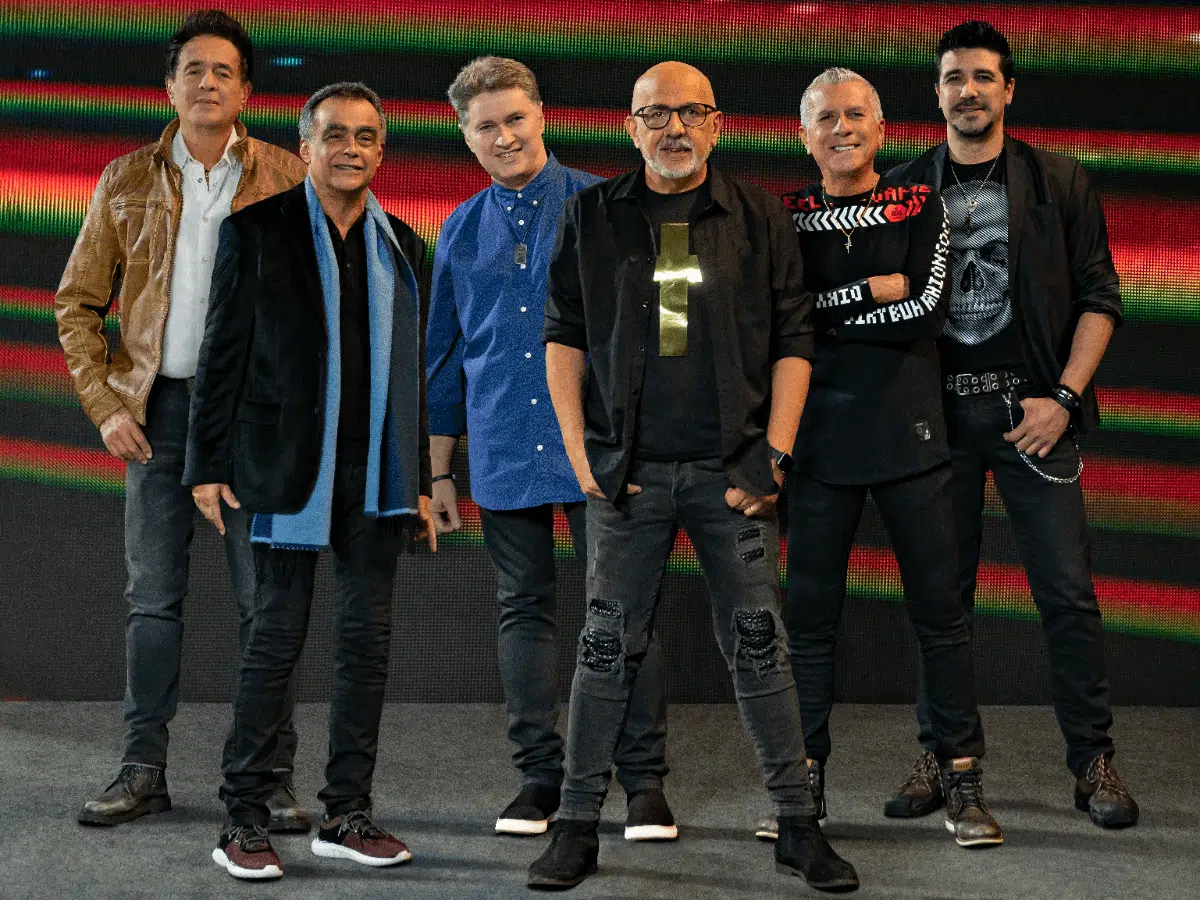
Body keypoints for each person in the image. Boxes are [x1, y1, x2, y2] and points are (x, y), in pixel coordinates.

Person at [528, 61, 858, 893]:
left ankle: (797, 825)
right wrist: (581, 456)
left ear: (717, 125)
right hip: (626, 476)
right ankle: (576, 826)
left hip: (732, 474)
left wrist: (773, 456)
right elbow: (563, 334)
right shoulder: (591, 215)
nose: (673, 128)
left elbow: (795, 339)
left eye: (691, 113)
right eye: (656, 114)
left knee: (760, 646)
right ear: (630, 126)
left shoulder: (757, 217)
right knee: (605, 649)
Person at [55, 9, 309, 831]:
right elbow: (76, 303)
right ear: (169, 86)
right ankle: (142, 769)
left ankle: (268, 775)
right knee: (153, 599)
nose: (207, 83)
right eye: (192, 69)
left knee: (264, 601)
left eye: (223, 71)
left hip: (254, 419)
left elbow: (315, 311)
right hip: (157, 412)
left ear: (246, 91)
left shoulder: (287, 175)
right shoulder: (126, 177)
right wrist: (106, 407)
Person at [886, 20, 1138, 830]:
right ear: (936, 93)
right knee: (941, 601)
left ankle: (1093, 761)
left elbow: (1100, 298)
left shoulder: (1058, 180)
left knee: (1067, 595)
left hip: (1035, 418)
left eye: (983, 77)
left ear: (1008, 89)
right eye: (954, 77)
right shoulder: (904, 187)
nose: (968, 90)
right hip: (938, 425)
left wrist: (1061, 397)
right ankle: (943, 754)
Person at [184, 82, 436, 880]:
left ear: (381, 151)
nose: (350, 149)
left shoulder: (403, 246)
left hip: (378, 477)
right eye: (334, 135)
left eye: (365, 136)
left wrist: (422, 477)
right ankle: (243, 818)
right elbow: (221, 353)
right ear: (306, 147)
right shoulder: (256, 231)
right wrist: (205, 466)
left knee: (366, 647)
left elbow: (415, 375)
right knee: (273, 643)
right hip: (287, 471)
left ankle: (346, 813)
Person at [427, 56, 674, 839]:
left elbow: (665, 327)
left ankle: (642, 782)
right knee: (522, 609)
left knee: (621, 612)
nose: (504, 137)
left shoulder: (610, 207)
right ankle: (539, 777)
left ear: (541, 116)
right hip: (502, 445)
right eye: (486, 126)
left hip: (602, 448)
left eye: (514, 119)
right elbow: (443, 358)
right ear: (466, 136)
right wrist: (439, 469)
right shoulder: (459, 229)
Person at [761, 67, 1000, 848]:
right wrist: (868, 292)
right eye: (827, 117)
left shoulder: (922, 204)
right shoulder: (785, 218)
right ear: (804, 136)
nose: (843, 128)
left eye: (856, 114)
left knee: (942, 618)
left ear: (882, 129)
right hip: (817, 446)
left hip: (912, 440)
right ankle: (801, 788)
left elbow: (926, 312)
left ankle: (962, 779)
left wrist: (831, 315)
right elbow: (784, 321)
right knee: (809, 626)